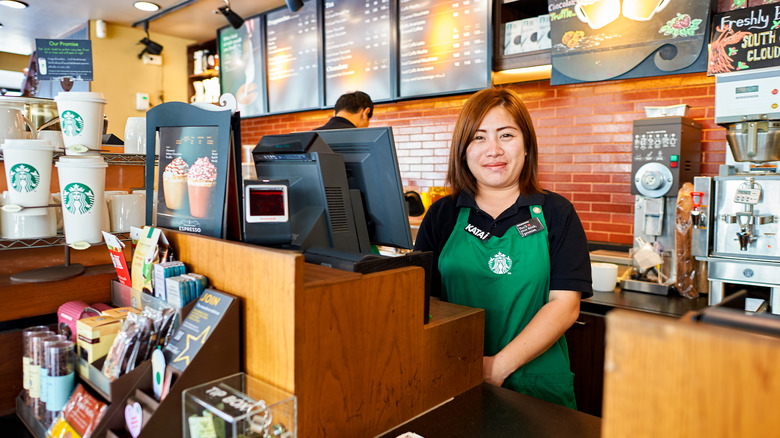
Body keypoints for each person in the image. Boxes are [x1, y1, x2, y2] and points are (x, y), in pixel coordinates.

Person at [413, 87, 592, 409]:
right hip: (453, 375)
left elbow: (565, 306)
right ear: (463, 150)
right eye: (479, 138)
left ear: (526, 146)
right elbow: (425, 300)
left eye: (506, 135)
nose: (493, 150)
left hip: (537, 384)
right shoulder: (442, 215)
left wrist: (497, 366)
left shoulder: (556, 212)